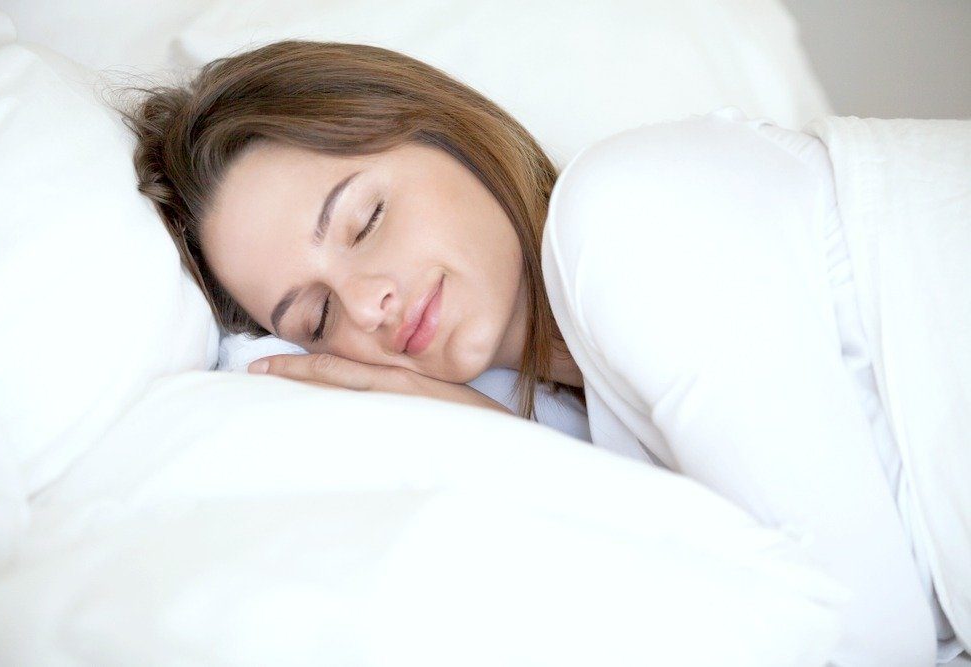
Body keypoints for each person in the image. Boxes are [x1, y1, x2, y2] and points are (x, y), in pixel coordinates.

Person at [122, 40, 969, 666]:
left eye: (364, 220)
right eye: (313, 316)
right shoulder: (561, 420)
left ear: (445, 132)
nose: (366, 303)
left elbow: (868, 638)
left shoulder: (627, 214)